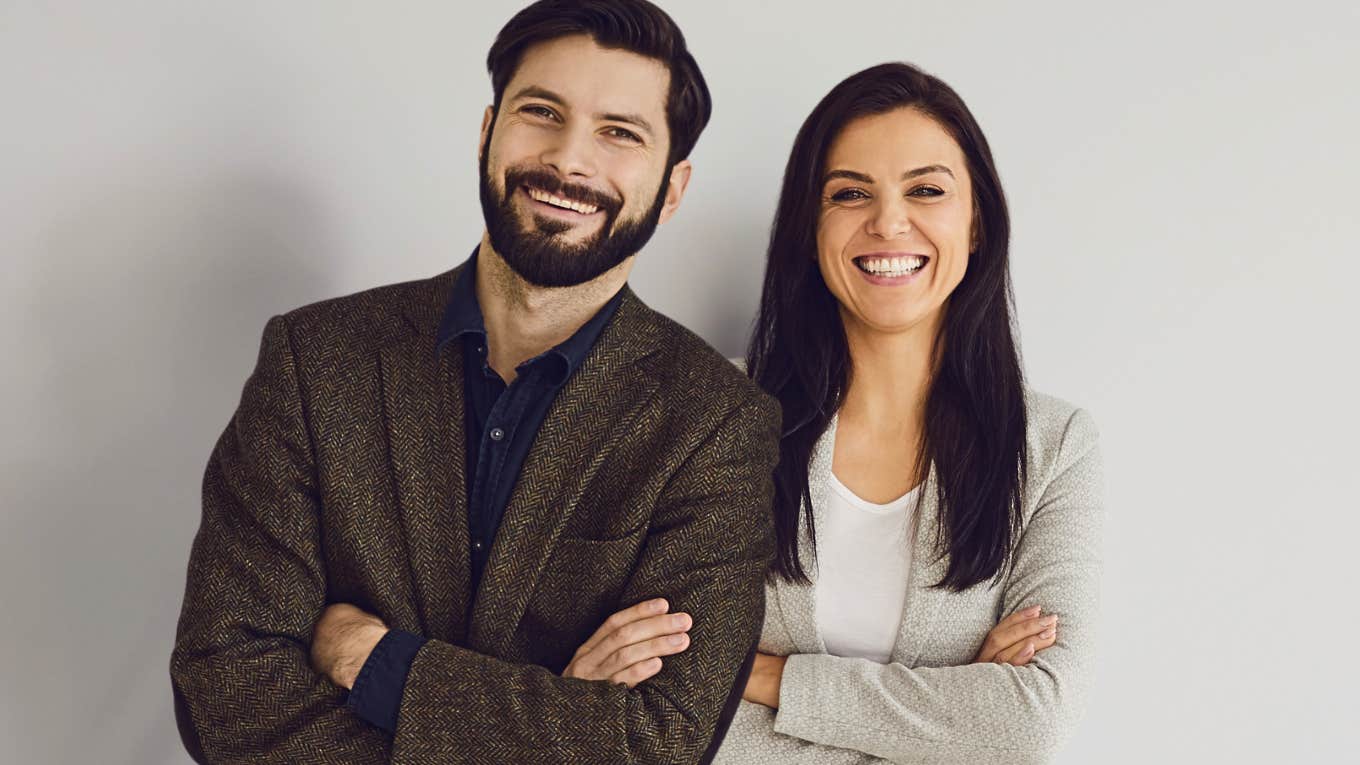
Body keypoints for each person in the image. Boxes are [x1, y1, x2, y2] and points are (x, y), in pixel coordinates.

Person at [168, 1, 780, 762]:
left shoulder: (715, 423)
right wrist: (556, 711)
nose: (568, 159)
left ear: (674, 185)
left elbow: (660, 740)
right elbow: (222, 684)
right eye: (541, 112)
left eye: (619, 132)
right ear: (488, 130)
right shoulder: (315, 359)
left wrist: (376, 661)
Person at [571, 63, 1105, 764]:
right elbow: (650, 694)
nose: (888, 221)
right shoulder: (707, 417)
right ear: (810, 227)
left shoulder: (1055, 446)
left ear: (975, 223)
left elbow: (1033, 726)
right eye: (850, 193)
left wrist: (759, 672)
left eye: (926, 190)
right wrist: (949, 705)